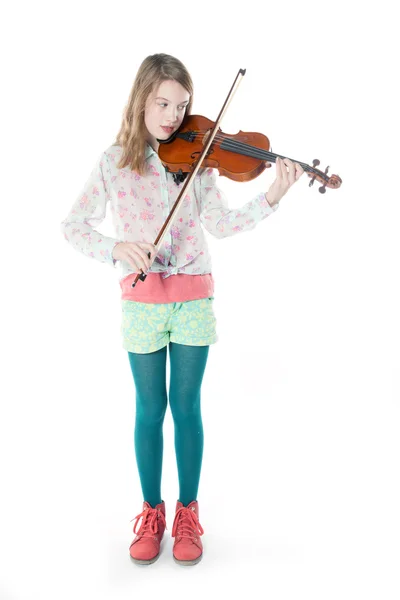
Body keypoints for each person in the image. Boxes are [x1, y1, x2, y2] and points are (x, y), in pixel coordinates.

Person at [60, 53, 304, 567]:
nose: (174, 116)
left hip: (194, 295)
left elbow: (220, 225)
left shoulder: (198, 161)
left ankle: (188, 514)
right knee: (150, 409)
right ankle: (151, 512)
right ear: (141, 100)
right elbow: (74, 225)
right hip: (142, 301)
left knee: (186, 406)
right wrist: (115, 248)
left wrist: (273, 195)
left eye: (183, 105)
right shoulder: (114, 161)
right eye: (163, 103)